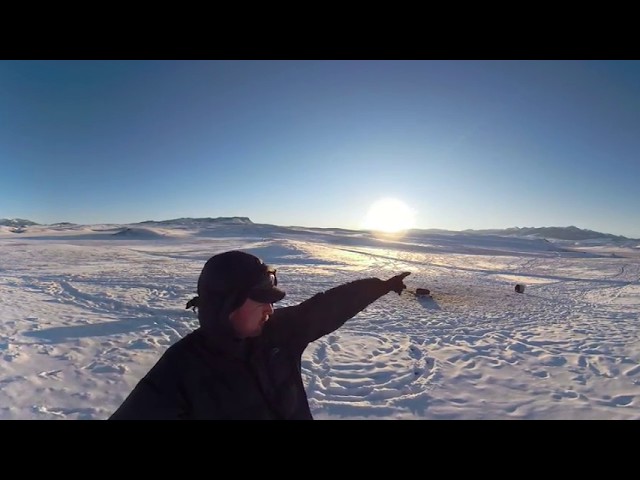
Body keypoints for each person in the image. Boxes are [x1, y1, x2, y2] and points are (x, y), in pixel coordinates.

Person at [109, 250, 410, 420]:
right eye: (261, 300)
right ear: (227, 304)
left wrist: (379, 286)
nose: (270, 310)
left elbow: (329, 306)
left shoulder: (279, 333)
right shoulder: (180, 369)